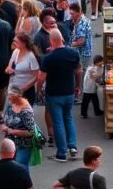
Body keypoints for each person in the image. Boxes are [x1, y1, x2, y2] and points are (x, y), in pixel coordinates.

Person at [39, 28, 83, 162]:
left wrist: (38, 89)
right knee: (68, 118)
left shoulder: (48, 58)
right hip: (69, 92)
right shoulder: (73, 53)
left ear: (51, 41)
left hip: (54, 94)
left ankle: (61, 152)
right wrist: (78, 86)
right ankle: (72, 146)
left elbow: (41, 78)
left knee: (57, 122)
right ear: (62, 39)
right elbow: (79, 71)